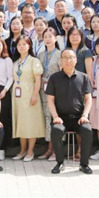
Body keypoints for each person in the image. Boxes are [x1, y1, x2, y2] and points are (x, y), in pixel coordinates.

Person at [46, 48, 94, 174]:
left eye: (71, 57)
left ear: (76, 60)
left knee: (87, 130)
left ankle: (84, 164)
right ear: (61, 60)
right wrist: (55, 117)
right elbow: (50, 100)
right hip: (60, 118)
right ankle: (60, 163)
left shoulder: (83, 77)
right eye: (65, 58)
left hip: (79, 118)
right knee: (56, 131)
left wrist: (85, 115)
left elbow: (88, 99)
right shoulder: (54, 78)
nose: (68, 60)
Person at [11, 36, 45, 162]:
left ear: (29, 45)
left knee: (31, 123)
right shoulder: (16, 62)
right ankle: (22, 150)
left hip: (30, 93)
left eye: (24, 44)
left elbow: (38, 80)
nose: (21, 46)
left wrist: (35, 95)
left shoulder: (34, 61)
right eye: (19, 44)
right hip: (17, 96)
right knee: (21, 122)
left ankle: (30, 151)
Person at [37, 29, 61, 160]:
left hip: (56, 90)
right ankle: (49, 148)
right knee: (47, 118)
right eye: (45, 37)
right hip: (43, 89)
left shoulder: (60, 54)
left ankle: (57, 150)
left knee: (55, 118)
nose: (47, 39)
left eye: (50, 36)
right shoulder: (41, 55)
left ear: (56, 38)